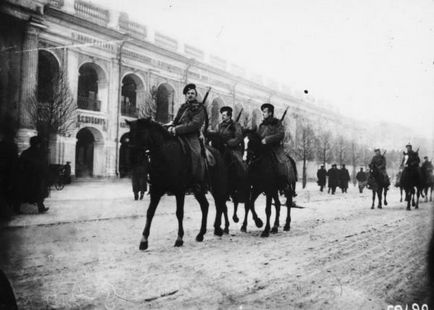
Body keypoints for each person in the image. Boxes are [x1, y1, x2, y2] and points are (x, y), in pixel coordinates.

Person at [167, 83, 206, 187]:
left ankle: (195, 180)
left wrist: (176, 129)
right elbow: (176, 120)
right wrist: (169, 126)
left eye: (192, 93)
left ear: (195, 95)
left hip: (191, 136)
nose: (190, 95)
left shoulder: (199, 108)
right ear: (186, 95)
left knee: (196, 154)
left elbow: (195, 124)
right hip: (179, 134)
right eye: (188, 93)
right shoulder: (183, 107)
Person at [257, 103, 296, 196]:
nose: (263, 113)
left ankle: (286, 184)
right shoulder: (262, 125)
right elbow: (258, 136)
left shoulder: (277, 123)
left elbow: (280, 134)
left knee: (284, 162)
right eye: (263, 112)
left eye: (265, 112)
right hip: (263, 148)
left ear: (270, 113)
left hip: (275, 148)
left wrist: (267, 139)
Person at [209, 106, 247, 182]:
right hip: (221, 148)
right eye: (222, 115)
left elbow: (238, 137)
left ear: (229, 116)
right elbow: (217, 133)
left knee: (239, 162)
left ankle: (243, 179)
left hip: (233, 149)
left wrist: (229, 143)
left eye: (224, 115)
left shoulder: (236, 125)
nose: (222, 117)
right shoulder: (220, 125)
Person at [17, 136, 49, 213]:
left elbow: (21, 164)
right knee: (39, 192)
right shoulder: (41, 153)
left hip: (27, 176)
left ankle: (18, 208)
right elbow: (44, 165)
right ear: (38, 144)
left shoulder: (26, 152)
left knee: (26, 191)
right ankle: (41, 207)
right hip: (37, 176)